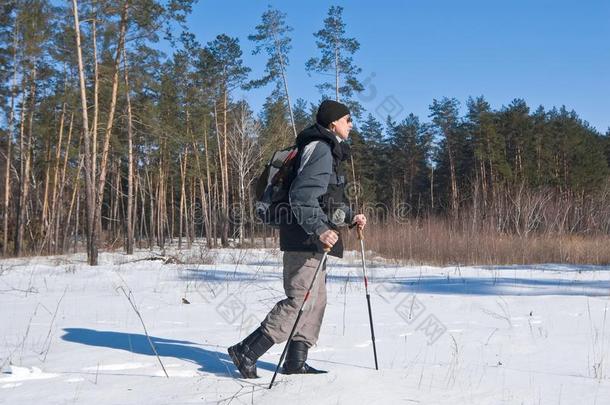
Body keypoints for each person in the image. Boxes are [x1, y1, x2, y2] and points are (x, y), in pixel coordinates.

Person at [228, 100, 367, 378]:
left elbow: (327, 198)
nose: (351, 124)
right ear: (333, 123)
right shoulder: (321, 150)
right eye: (347, 119)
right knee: (300, 299)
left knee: (316, 301)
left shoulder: (327, 149)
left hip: (314, 239)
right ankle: (247, 350)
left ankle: (295, 360)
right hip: (304, 237)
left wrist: (350, 217)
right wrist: (319, 228)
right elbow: (301, 197)